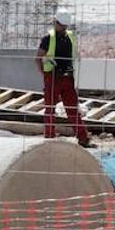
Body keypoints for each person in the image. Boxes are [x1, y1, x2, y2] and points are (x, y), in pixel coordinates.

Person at [35, 9, 92, 148]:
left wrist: (44, 73)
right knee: (70, 109)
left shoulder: (48, 38)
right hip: (66, 77)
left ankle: (50, 138)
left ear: (56, 22)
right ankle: (82, 137)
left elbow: (38, 58)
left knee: (51, 109)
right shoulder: (71, 37)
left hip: (55, 78)